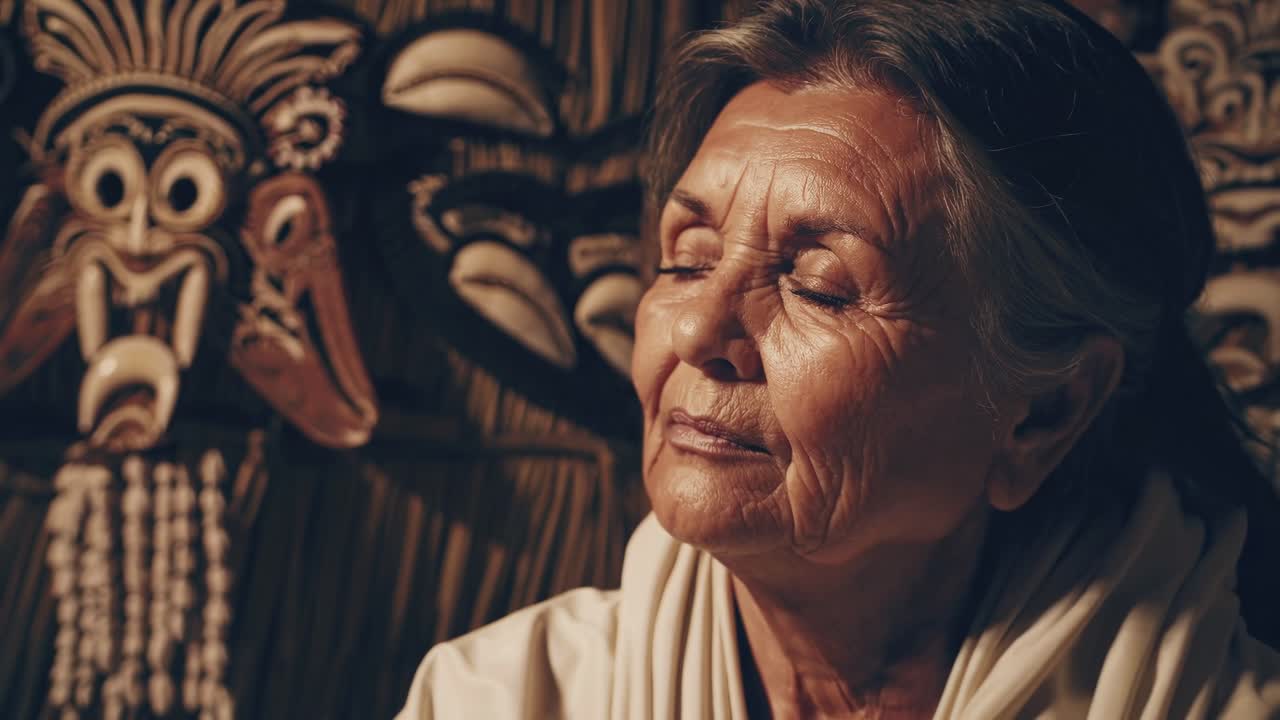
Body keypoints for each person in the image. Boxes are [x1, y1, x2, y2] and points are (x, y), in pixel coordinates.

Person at [395, 0, 1280, 717]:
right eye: (688, 257)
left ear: (1043, 412)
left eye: (820, 286)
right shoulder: (508, 697)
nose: (699, 331)